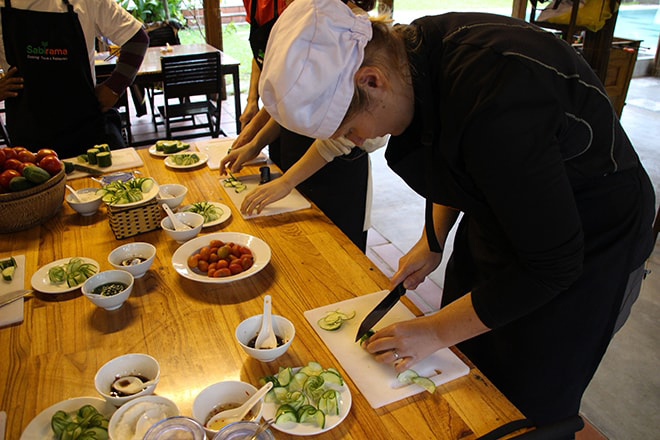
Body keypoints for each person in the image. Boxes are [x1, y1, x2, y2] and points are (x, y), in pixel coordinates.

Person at [255, 0, 656, 432]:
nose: (358, 140)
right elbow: (453, 154)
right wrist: (433, 238)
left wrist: (435, 332)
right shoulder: (413, 55)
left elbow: (552, 264)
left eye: (349, 129)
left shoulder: (498, 91)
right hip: (503, 209)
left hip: (591, 232)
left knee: (529, 392)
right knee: (467, 357)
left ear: (372, 81)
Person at [222, 0, 379, 252]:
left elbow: (343, 137)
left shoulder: (353, 33)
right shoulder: (307, 16)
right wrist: (254, 143)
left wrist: (287, 181)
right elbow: (294, 102)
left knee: (338, 253)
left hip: (339, 170)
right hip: (299, 156)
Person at [0, 0, 148, 156]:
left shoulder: (85, 2)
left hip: (84, 127)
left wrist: (113, 88)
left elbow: (137, 39)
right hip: (28, 136)